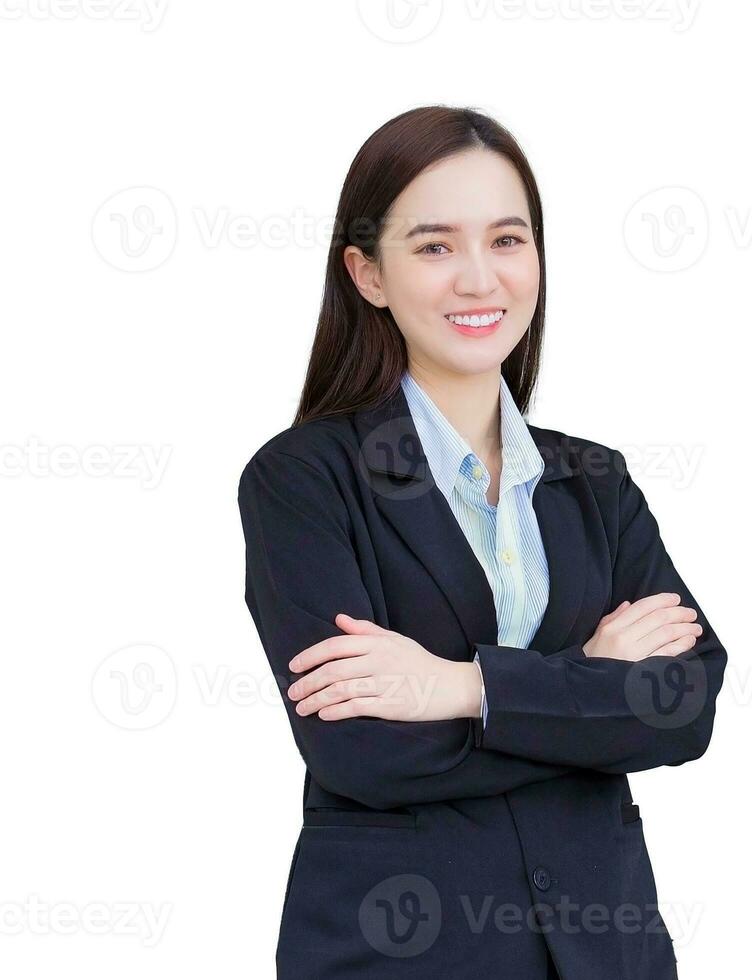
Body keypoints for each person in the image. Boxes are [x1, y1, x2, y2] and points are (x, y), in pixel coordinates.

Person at [236, 104, 725, 979]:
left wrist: (454, 686)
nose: (479, 278)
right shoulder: (304, 480)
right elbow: (364, 750)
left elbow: (683, 706)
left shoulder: (596, 482)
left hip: (606, 952)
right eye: (433, 246)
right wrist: (592, 685)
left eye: (507, 240)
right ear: (368, 274)